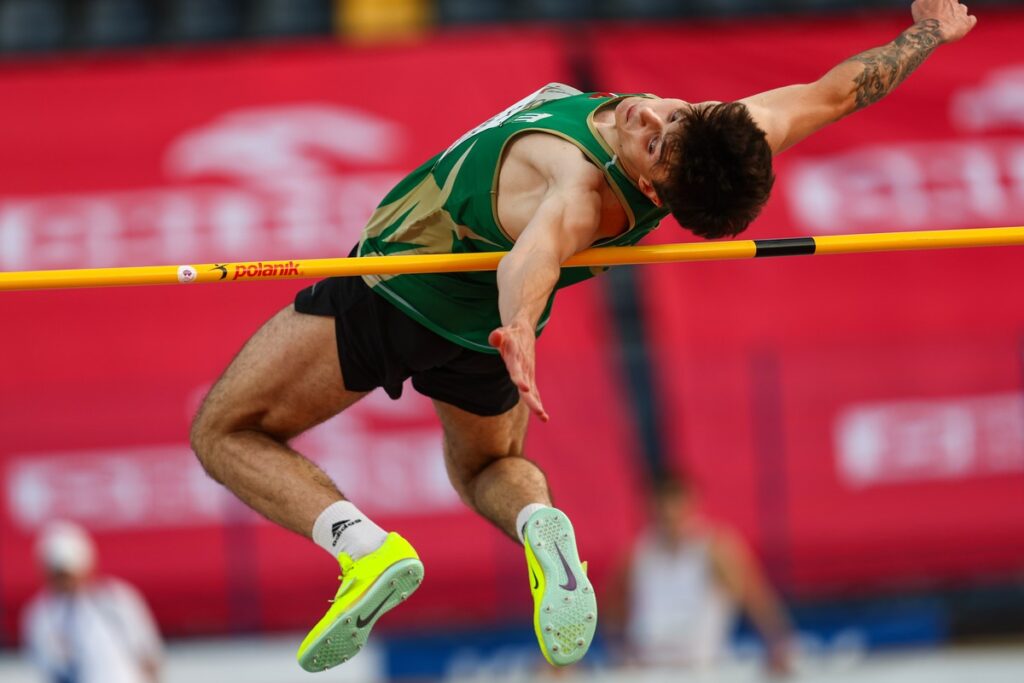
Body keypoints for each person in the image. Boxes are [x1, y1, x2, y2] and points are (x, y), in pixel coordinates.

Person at [189, 1, 976, 672]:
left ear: (654, 187)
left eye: (654, 144)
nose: (650, 117)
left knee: (224, 429)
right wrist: (928, 35)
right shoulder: (725, 135)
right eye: (674, 115)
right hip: (476, 337)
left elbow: (534, 255)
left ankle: (364, 550)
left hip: (395, 291)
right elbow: (839, 91)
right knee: (487, 466)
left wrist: (519, 325)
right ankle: (540, 524)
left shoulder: (580, 182)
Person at [604, 475, 793, 674]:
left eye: (674, 506)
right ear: (650, 507)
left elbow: (757, 601)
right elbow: (610, 612)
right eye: (663, 507)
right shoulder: (634, 555)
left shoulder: (717, 550)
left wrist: (777, 644)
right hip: (648, 668)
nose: (669, 513)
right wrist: (620, 653)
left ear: (691, 504)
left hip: (702, 668)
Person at [20, 521, 164, 683]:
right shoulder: (40, 617)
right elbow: (49, 668)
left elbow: (148, 655)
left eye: (67, 574)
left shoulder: (117, 599)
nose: (64, 581)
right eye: (58, 574)